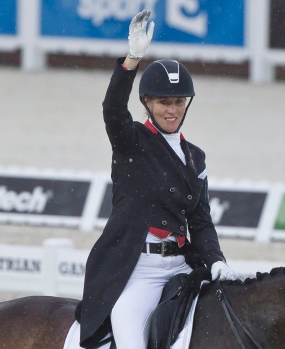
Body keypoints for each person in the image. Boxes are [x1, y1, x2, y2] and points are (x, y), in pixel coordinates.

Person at [75, 9, 239, 349]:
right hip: (138, 271)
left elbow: (201, 222)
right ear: (147, 102)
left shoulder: (195, 157)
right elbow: (112, 109)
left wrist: (217, 261)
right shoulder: (131, 141)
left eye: (179, 102)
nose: (172, 110)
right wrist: (132, 60)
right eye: (163, 102)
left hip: (182, 267)